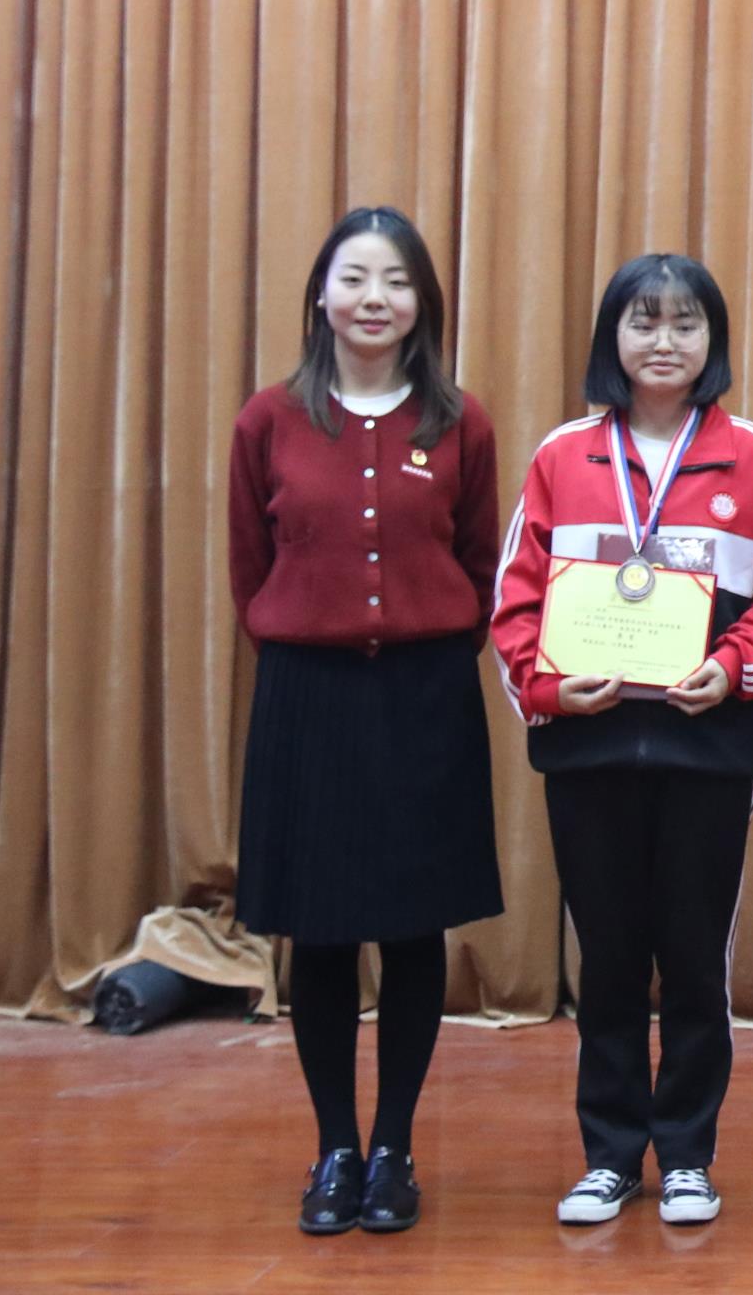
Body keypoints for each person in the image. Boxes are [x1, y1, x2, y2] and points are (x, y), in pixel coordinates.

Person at [489, 253, 753, 1229]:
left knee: (692, 957)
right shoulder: (563, 456)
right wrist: (549, 687)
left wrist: (734, 668)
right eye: (644, 322)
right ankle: (607, 1156)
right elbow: (515, 600)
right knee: (605, 959)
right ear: (613, 337)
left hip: (707, 756)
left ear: (713, 339)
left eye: (686, 323)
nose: (665, 341)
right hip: (589, 754)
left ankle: (685, 1154)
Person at [227, 206, 503, 1237]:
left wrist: (427, 650)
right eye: (354, 278)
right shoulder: (268, 420)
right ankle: (335, 1147)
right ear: (321, 295)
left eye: (396, 280)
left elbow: (479, 562)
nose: (374, 298)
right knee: (324, 932)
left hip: (426, 699)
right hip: (310, 701)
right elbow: (250, 569)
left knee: (414, 927)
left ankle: (394, 1147)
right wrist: (313, 645)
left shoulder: (460, 421)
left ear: (423, 301)